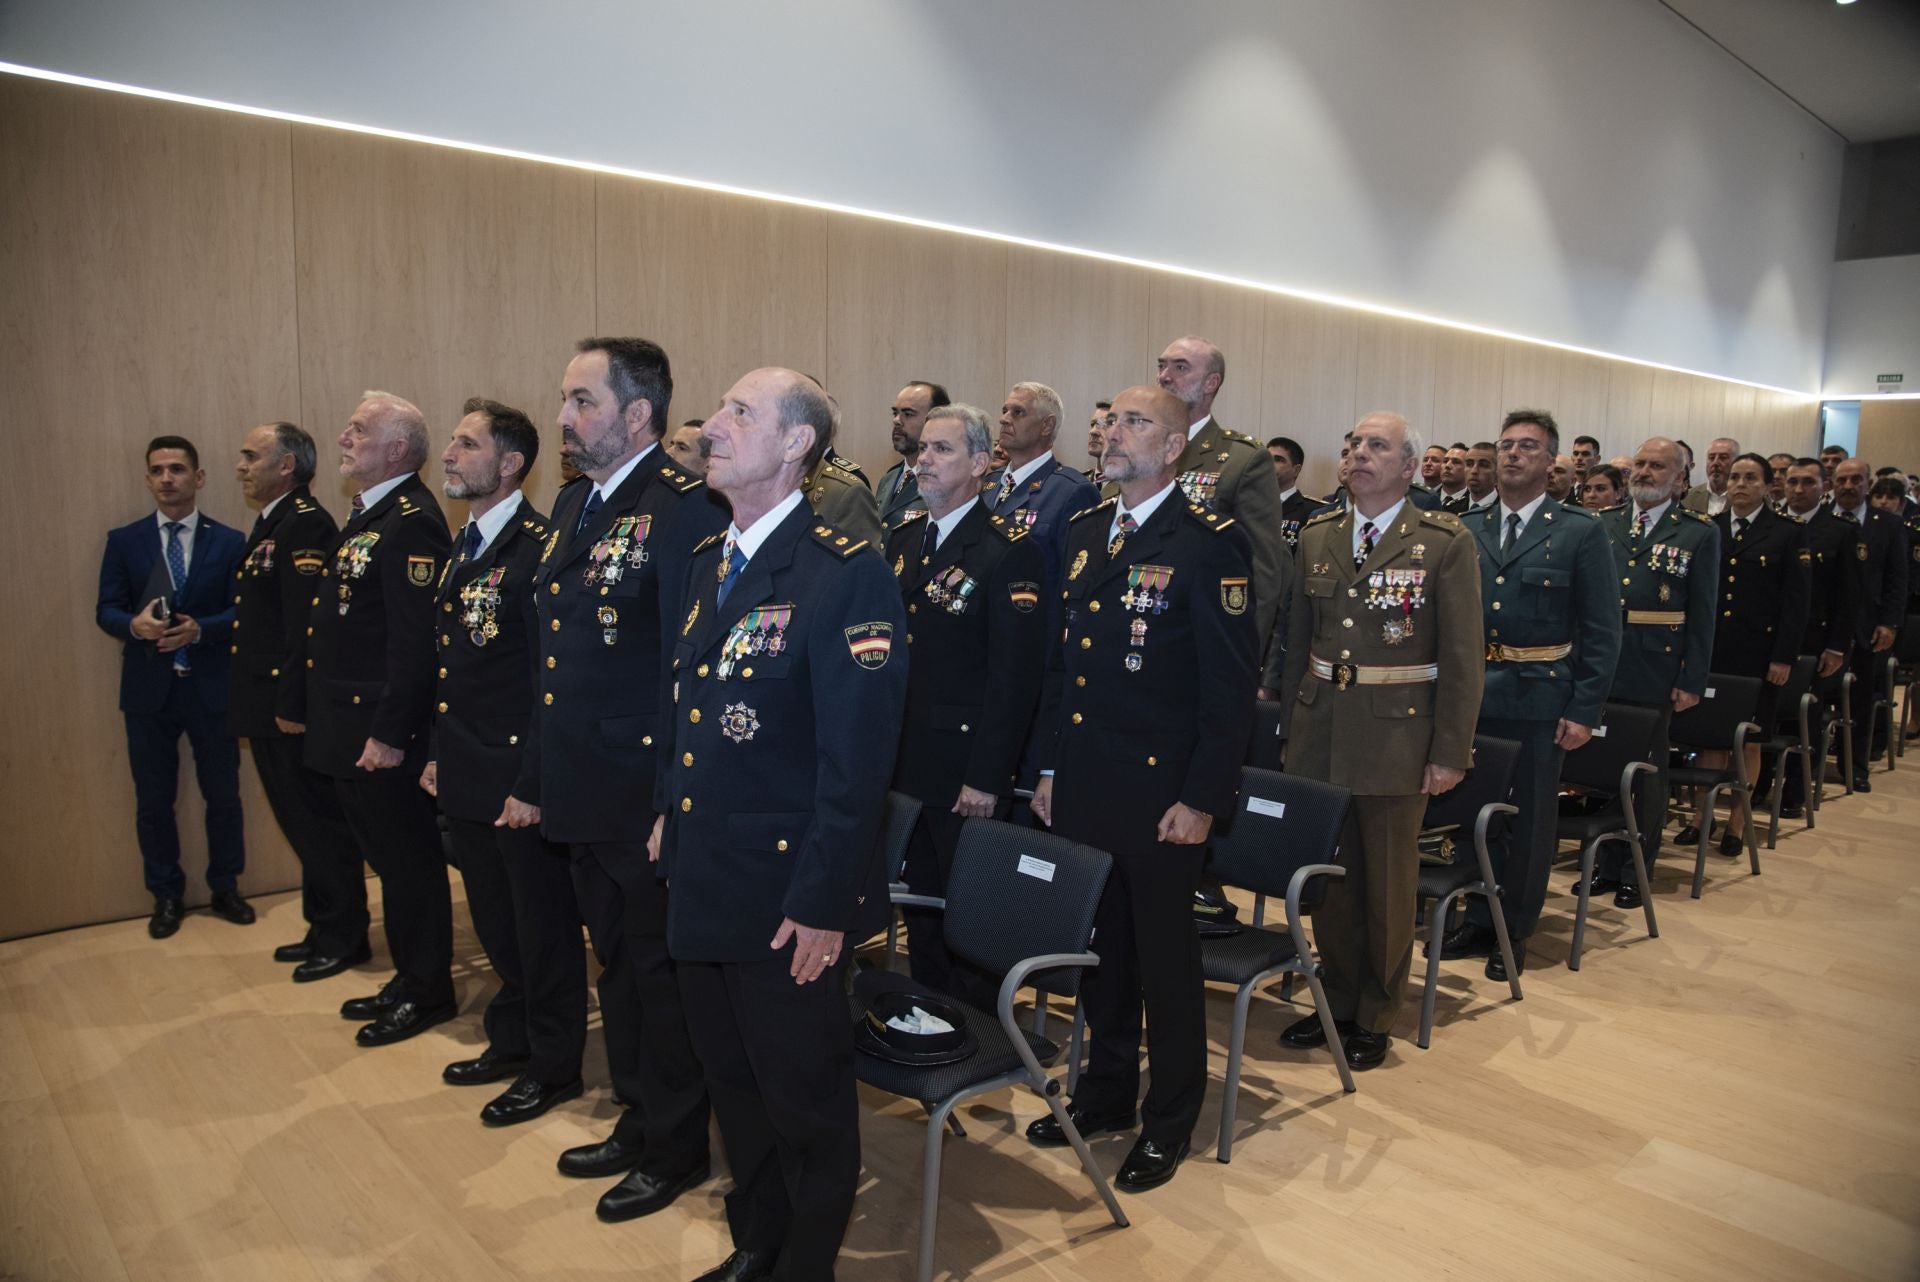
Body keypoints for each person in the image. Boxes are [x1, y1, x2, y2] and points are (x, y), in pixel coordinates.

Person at [654, 367, 907, 1282]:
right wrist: (662, 814)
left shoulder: (847, 575)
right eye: (720, 409)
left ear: (797, 444)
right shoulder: (703, 561)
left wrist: (826, 903)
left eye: (739, 412)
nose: (713, 426)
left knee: (802, 1101)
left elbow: (857, 766)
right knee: (733, 1086)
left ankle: (805, 1263)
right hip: (704, 873)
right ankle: (757, 1242)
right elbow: (682, 709)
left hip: (788, 898)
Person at [1027, 383, 1257, 1189]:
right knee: (1102, 954)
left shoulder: (1208, 544)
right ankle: (1105, 1092)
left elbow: (1228, 692)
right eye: (1111, 420)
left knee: (1164, 963)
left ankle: (1169, 1121)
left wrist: (1202, 800)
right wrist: (1049, 768)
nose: (1114, 432)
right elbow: (1065, 667)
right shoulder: (1088, 531)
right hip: (1088, 783)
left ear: (1172, 447)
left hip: (1164, 797)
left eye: (1135, 422)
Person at [513, 338, 723, 1221]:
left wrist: (672, 801)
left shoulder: (682, 510)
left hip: (642, 793)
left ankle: (675, 1146)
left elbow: (692, 667)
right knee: (620, 969)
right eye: (564, 400)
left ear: (638, 414)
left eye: (581, 401)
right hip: (584, 787)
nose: (563, 418)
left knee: (658, 977)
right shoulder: (574, 502)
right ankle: (639, 1118)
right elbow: (552, 657)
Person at [1277, 412, 1482, 1070]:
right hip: (1322, 730)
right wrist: (1289, 724)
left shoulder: (1444, 542)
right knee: (1334, 883)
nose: (1358, 455)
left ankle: (1376, 1012)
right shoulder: (1318, 534)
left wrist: (1450, 751)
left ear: (1408, 467)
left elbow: (1462, 658)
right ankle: (1334, 1000)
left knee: (1388, 885)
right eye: (1351, 445)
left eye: (1376, 447)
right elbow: (1295, 641)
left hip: (1398, 736)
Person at [422, 398, 589, 1127]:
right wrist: (437, 753)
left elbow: (549, 683)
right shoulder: (468, 542)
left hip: (518, 778)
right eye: (452, 444)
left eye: (466, 444)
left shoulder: (536, 547)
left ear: (511, 463)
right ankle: (513, 1037)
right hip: (466, 766)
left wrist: (533, 784)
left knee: (540, 929)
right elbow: (455, 663)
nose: (450, 455)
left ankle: (554, 1067)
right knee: (494, 920)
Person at [285, 393, 453, 1042]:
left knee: (409, 865)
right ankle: (410, 974)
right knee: (388, 861)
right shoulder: (372, 513)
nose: (343, 437)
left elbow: (414, 645)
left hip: (380, 734)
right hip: (350, 729)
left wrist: (388, 734)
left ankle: (428, 989)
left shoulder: (410, 520)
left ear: (397, 450)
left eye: (359, 430)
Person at [1442, 410, 1619, 979]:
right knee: (1473, 813)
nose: (1514, 455)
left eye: (1528, 447)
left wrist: (1585, 708)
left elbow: (1600, 628)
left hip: (1541, 700)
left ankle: (1513, 928)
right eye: (1507, 445)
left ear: (1550, 461)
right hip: (1472, 699)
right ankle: (1474, 916)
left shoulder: (1579, 530)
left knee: (1529, 821)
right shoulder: (1464, 525)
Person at [884, 402, 1045, 1005]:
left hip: (964, 770)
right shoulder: (902, 538)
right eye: (923, 448)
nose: (924, 459)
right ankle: (931, 1017)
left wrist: (986, 777)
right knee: (920, 906)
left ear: (981, 463)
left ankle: (981, 1032)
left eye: (942, 449)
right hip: (905, 761)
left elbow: (1014, 683)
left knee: (968, 912)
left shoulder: (1007, 552)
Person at [96, 435, 249, 939]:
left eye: (177, 469)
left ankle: (226, 887)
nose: (167, 479)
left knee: (223, 796)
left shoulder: (229, 541)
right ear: (147, 479)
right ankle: (165, 896)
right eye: (158, 470)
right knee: (153, 800)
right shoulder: (124, 541)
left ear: (198, 478)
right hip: (147, 692)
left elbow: (245, 613)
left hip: (211, 688)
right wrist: (132, 626)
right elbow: (107, 609)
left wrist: (203, 629)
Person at [229, 421, 356, 964]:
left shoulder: (304, 525)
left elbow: (305, 626)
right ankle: (321, 926)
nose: (241, 465)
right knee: (299, 824)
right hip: (265, 704)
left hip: (287, 708)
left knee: (317, 825)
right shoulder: (271, 524)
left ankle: (342, 935)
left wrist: (291, 705)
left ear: (287, 465)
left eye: (252, 455)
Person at [1586, 437, 1718, 907]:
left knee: (1645, 774)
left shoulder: (1698, 533)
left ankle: (1636, 868)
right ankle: (1601, 863)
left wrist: (1692, 678)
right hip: (1603, 664)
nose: (1644, 472)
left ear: (1680, 478)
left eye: (1657, 466)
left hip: (1656, 667)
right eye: (1639, 464)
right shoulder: (1602, 525)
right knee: (1600, 767)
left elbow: (1704, 614)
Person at [1678, 453, 1808, 853]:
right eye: (1735, 477)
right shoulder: (1709, 528)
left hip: (1758, 655)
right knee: (1707, 740)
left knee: (1747, 741)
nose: (1740, 484)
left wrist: (1783, 657)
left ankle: (1737, 822)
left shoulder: (1786, 533)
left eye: (1751, 477)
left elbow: (1795, 603)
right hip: (1713, 650)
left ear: (1768, 486)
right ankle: (1702, 818)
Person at [1150, 335, 1288, 695]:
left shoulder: (1242, 460)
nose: (1165, 376)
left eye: (1180, 367)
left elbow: (1263, 572)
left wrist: (1237, 662)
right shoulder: (1141, 451)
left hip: (1198, 648)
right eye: (1162, 366)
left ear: (1211, 383)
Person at [1830, 458, 1909, 790]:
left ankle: (1855, 768)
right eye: (1842, 480)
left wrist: (1889, 622)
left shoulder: (1887, 525)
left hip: (1867, 626)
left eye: (1856, 480)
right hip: (1826, 626)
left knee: (1861, 702)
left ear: (1867, 484)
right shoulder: (1820, 521)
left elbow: (1896, 579)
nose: (1848, 486)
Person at [980, 382, 1099, 590]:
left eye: (1018, 412)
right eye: (1004, 411)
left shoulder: (1073, 491)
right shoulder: (989, 483)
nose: (1004, 419)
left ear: (1047, 425)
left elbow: (1076, 582)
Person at [876, 380, 948, 529]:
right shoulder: (889, 479)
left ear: (935, 421)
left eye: (908, 414)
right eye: (895, 413)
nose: (896, 421)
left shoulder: (945, 482)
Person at [1267, 435, 1317, 545]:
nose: (1269, 464)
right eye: (1266, 458)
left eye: (1278, 460)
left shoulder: (1313, 511)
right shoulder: (1248, 505)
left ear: (1296, 470)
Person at [1683, 437, 1739, 515]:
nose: (1715, 463)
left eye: (1723, 458)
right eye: (1711, 457)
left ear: (1736, 462)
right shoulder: (1687, 497)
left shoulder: (1744, 496)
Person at [1462, 441, 1498, 512]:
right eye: (1469, 464)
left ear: (1497, 473)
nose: (1474, 471)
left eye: (1483, 465)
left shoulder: (1505, 510)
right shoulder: (1451, 508)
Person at [1437, 443, 1471, 510]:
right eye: (1445, 461)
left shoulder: (1472, 503)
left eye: (1456, 462)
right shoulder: (1428, 498)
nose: (1447, 465)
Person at [1085, 400, 1112, 482]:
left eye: (1104, 425)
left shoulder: (1130, 486)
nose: (1093, 432)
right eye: (1093, 424)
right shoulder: (1079, 482)